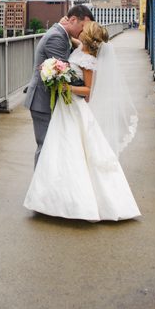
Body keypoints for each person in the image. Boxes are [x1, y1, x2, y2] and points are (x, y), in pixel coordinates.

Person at [23, 22, 140, 221]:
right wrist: (63, 26)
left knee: (73, 151)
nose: (81, 29)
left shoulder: (88, 60)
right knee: (58, 149)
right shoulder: (79, 48)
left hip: (75, 108)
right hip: (64, 109)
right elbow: (69, 36)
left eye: (85, 29)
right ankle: (54, 198)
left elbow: (88, 91)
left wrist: (67, 88)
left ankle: (78, 203)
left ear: (88, 36)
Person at [23, 5, 94, 167]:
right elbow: (67, 74)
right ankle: (39, 182)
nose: (83, 31)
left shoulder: (63, 34)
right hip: (43, 101)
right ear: (73, 20)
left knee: (53, 146)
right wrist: (86, 89)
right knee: (45, 146)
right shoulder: (57, 37)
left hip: (49, 101)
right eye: (83, 26)